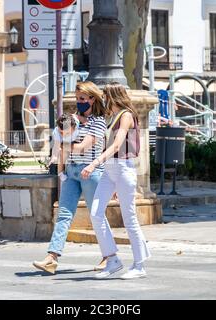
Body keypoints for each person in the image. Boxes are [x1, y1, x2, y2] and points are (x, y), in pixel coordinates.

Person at [32, 81, 108, 274]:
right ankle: (52, 257)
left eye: (82, 99)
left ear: (92, 99)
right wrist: (59, 162)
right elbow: (57, 138)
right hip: (71, 172)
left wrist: (61, 148)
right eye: (77, 98)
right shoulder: (70, 119)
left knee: (97, 215)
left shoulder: (98, 121)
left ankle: (109, 256)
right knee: (64, 215)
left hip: (90, 172)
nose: (79, 102)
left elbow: (84, 147)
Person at [81, 82, 151, 280]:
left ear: (112, 95)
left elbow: (117, 145)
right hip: (110, 170)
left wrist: (93, 164)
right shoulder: (112, 117)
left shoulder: (126, 115)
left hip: (122, 168)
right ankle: (112, 259)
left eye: (104, 95)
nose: (103, 99)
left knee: (129, 218)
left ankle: (139, 264)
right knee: (95, 213)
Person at [48, 113, 81, 181]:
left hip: (77, 142)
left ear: (73, 128)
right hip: (66, 143)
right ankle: (60, 173)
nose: (63, 135)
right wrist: (54, 157)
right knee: (62, 152)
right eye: (61, 133)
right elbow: (56, 146)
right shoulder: (57, 131)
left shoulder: (79, 127)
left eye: (66, 133)